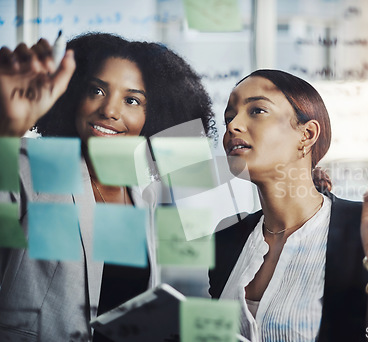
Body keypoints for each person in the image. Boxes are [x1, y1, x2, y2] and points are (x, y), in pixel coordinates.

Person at [0, 33, 215, 341]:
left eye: (132, 100)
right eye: (97, 90)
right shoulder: (32, 164)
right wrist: (6, 129)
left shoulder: (144, 196)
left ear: (153, 117)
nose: (109, 110)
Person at [208, 69, 368, 341]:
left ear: (307, 135)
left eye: (257, 111)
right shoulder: (226, 239)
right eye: (229, 116)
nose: (233, 125)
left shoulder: (365, 229)